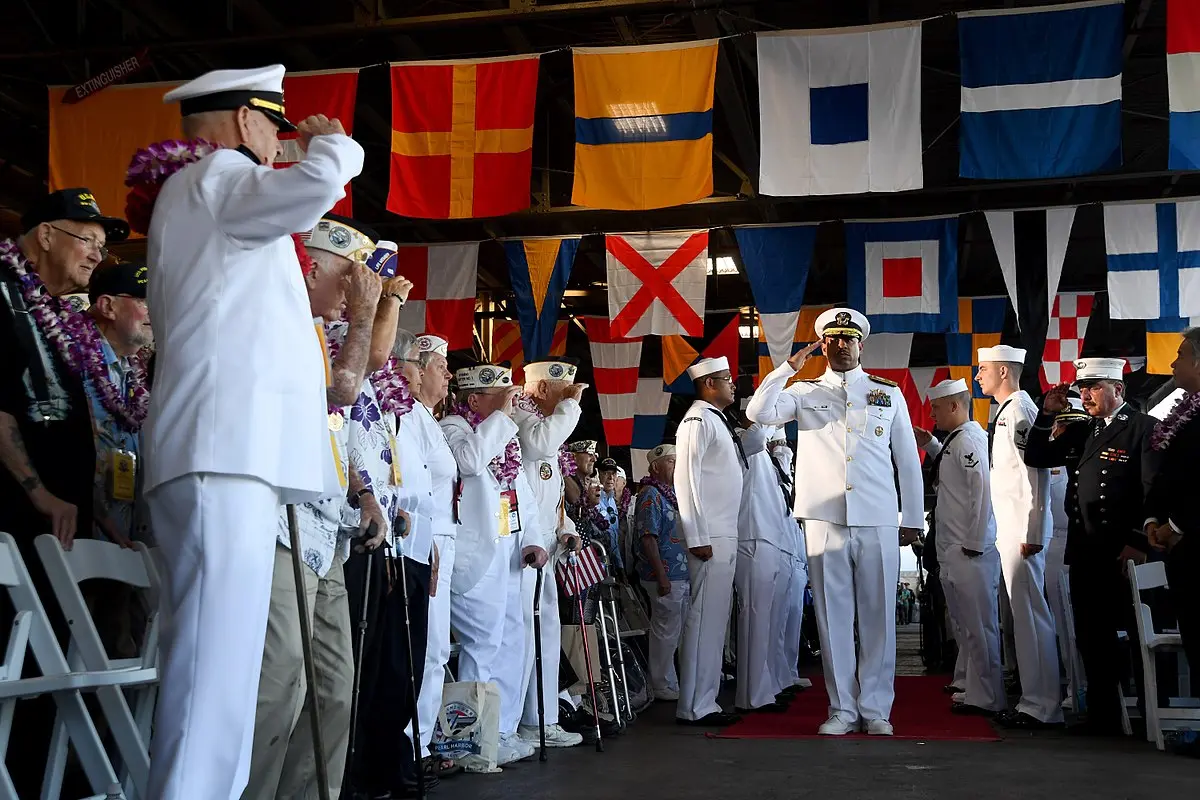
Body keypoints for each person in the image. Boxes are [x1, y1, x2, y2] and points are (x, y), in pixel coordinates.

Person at [142, 65, 364, 798]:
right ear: (244, 121)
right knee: (214, 672)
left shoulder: (211, 193)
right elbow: (311, 189)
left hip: (225, 452)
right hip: (220, 453)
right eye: (277, 128)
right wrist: (333, 147)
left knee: (222, 668)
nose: (280, 145)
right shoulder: (219, 179)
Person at [242, 214, 384, 799]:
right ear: (315, 268)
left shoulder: (319, 336)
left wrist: (362, 489)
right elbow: (346, 387)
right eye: (348, 278)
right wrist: (365, 312)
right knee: (280, 684)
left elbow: (335, 422)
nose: (352, 292)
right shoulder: (282, 322)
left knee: (332, 691)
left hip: (326, 533)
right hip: (283, 527)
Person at [0, 191, 128, 797]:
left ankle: (41, 782)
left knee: (53, 669)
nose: (96, 257)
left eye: (103, 248)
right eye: (89, 241)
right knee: (14, 663)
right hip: (16, 518)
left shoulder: (60, 315)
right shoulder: (1, 290)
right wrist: (38, 489)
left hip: (65, 524)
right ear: (46, 234)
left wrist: (96, 508)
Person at [746, 308, 923, 736]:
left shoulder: (887, 393)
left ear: (861, 344)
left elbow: (906, 457)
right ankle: (842, 707)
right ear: (821, 345)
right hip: (824, 517)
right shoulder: (803, 391)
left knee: (879, 615)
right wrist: (786, 368)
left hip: (878, 515)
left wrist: (913, 516)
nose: (841, 345)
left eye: (849, 339)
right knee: (833, 616)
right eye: (832, 339)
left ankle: (876, 708)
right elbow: (758, 413)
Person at [1026, 358, 1161, 735]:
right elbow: (1036, 456)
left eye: (1094, 388)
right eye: (1082, 388)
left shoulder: (1142, 428)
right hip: (1086, 549)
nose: (1085, 395)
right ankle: (1104, 716)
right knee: (1091, 633)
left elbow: (1152, 488)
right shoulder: (1083, 430)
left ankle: (1151, 711)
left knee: (1135, 634)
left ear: (1118, 390)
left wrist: (1137, 539)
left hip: (1123, 551)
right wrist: (1045, 413)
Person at [443, 364, 549, 766]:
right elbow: (469, 461)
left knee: (510, 641)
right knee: (482, 642)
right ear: (474, 400)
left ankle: (500, 730)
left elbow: (522, 496)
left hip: (509, 551)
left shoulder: (503, 438)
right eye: (500, 396)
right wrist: (504, 417)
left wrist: (535, 540)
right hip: (477, 556)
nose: (510, 401)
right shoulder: (454, 428)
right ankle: (470, 738)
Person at [975, 345, 1062, 730]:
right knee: (1022, 618)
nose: (979, 376)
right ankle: (1035, 700)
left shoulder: (1022, 410)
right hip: (1011, 528)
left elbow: (1036, 474)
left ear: (1005, 372)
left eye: (984, 369)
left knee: (1030, 617)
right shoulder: (1009, 411)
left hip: (1022, 531)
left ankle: (1042, 706)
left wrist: (1033, 531)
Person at [914, 378, 1004, 715]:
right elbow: (953, 476)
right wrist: (933, 445)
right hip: (955, 549)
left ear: (954, 406)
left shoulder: (970, 440)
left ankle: (987, 696)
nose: (932, 414)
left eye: (936, 408)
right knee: (965, 624)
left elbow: (981, 491)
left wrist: (976, 541)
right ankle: (969, 682)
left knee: (979, 625)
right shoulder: (956, 441)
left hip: (970, 549)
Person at [512, 357, 586, 749]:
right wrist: (569, 406)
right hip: (521, 550)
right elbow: (539, 443)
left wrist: (567, 530)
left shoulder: (546, 427)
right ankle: (518, 723)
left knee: (546, 636)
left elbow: (551, 497)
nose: (570, 397)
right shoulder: (522, 417)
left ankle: (543, 719)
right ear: (541, 389)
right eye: (563, 389)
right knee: (524, 636)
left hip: (547, 548)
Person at [81, 262, 153, 659]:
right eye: (143, 300)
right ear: (108, 306)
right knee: (82, 648)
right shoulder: (75, 357)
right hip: (83, 532)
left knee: (123, 644)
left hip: (126, 535)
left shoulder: (132, 369)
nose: (154, 312)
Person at [674, 356, 745, 727]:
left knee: (715, 622)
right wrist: (697, 535)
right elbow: (685, 478)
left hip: (722, 532)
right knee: (704, 621)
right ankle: (695, 705)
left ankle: (706, 700)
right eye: (727, 379)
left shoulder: (717, 421)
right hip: (710, 535)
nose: (733, 384)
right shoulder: (698, 420)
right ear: (709, 385)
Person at [407, 334, 464, 778]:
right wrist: (428, 545)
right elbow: (417, 489)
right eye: (441, 365)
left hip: (442, 538)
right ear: (419, 368)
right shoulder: (410, 416)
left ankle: (420, 740)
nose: (448, 374)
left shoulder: (427, 417)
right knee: (426, 646)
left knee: (437, 646)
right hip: (427, 541)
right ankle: (412, 743)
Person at [1145, 330, 1200, 701]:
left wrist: (1176, 525)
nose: (1172, 363)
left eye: (1180, 355)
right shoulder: (1184, 415)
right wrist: (1153, 522)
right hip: (1181, 548)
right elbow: (1166, 478)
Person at [733, 423, 794, 714]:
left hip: (772, 541)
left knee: (767, 622)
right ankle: (753, 695)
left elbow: (784, 463)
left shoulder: (770, 461)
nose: (778, 443)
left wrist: (780, 446)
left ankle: (765, 687)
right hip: (754, 537)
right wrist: (771, 413)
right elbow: (757, 435)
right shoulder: (750, 449)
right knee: (755, 620)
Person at [634, 444, 688, 701]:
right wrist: (662, 575)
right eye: (670, 461)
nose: (676, 465)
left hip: (680, 571)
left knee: (675, 630)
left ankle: (671, 680)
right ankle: (660, 682)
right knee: (665, 630)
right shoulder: (650, 494)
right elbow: (648, 537)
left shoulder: (672, 494)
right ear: (655, 467)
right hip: (664, 574)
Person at [767, 437, 810, 695]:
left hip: (796, 558)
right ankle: (778, 674)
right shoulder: (769, 472)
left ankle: (789, 671)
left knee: (793, 617)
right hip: (781, 552)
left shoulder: (788, 480)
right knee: (779, 619)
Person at [596, 458, 623, 571]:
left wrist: (620, 566)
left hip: (612, 559)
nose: (611, 478)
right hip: (599, 559)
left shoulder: (612, 500)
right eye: (606, 473)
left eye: (613, 473)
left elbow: (614, 536)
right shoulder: (593, 498)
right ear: (597, 473)